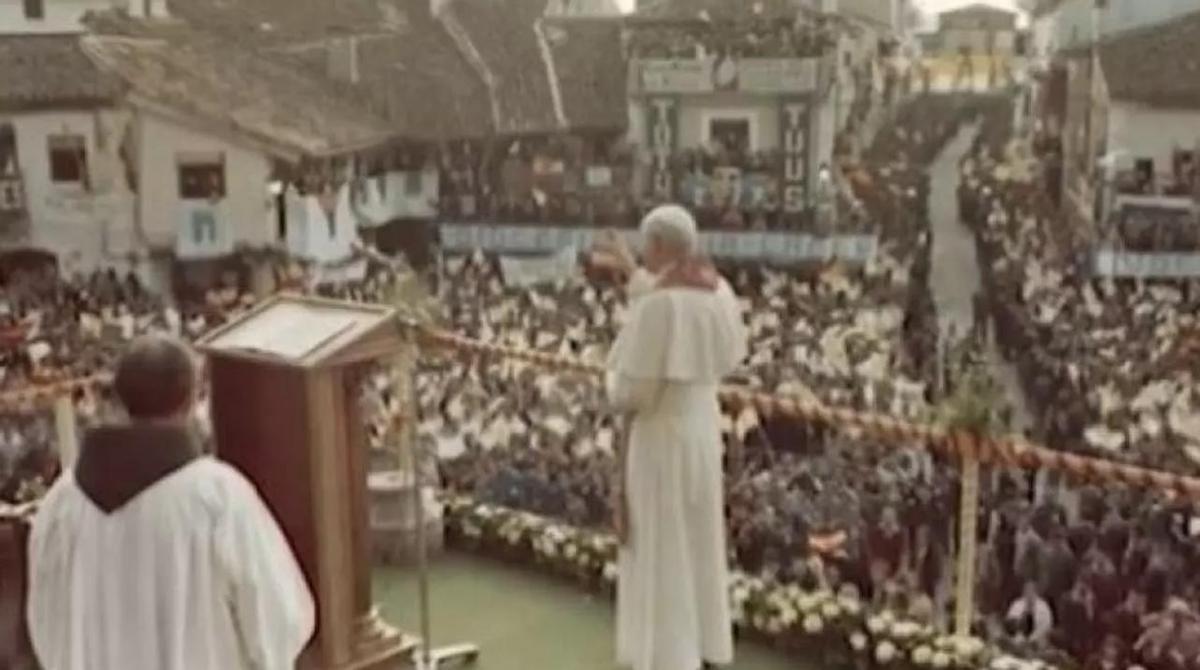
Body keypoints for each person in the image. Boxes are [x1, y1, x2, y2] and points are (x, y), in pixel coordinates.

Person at [27, 334, 314, 670]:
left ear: (118, 398)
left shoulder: (60, 503)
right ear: (191, 399)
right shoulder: (217, 498)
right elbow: (277, 621)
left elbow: (45, 626)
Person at [594, 204, 748, 670]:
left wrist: (607, 378)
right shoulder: (718, 288)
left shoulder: (661, 304)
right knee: (698, 539)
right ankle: (703, 646)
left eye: (645, 247)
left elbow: (631, 391)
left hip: (661, 438)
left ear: (658, 246)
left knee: (663, 545)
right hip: (702, 429)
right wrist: (629, 270)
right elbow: (664, 300)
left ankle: (666, 656)